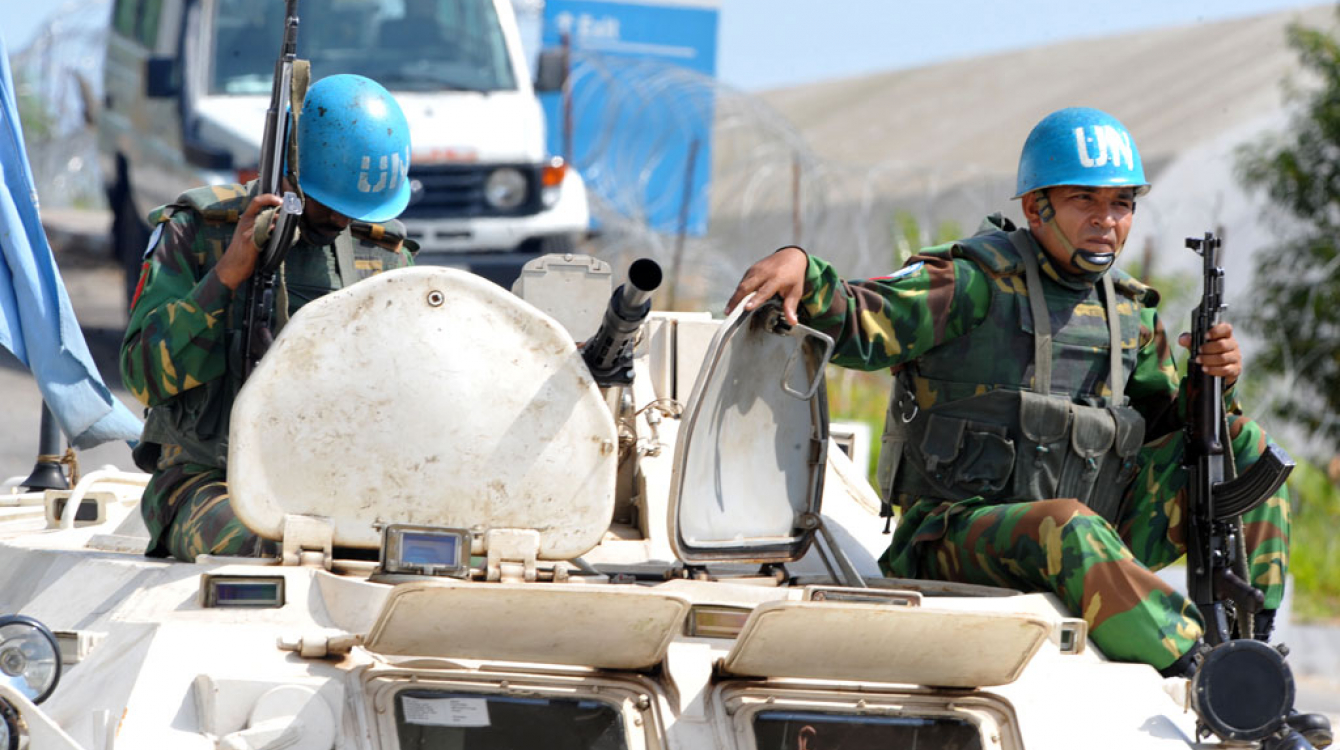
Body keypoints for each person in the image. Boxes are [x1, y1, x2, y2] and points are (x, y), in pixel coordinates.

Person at [727, 107, 1329, 747]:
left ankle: (1256, 659)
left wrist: (1215, 384)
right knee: (1067, 524)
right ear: (1037, 209)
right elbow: (859, 318)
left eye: (1122, 204)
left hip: (1090, 537)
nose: (1107, 221)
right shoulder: (974, 283)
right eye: (1083, 201)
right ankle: (1205, 672)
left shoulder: (1130, 316)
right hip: (957, 533)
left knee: (1246, 451)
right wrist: (801, 266)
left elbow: (1179, 432)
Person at [120, 74, 415, 562]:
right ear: (291, 172)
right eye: (331, 205)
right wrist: (227, 276)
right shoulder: (197, 232)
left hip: (346, 487)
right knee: (275, 550)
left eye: (353, 209)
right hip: (209, 482)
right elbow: (143, 376)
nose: (342, 221)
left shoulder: (380, 254)